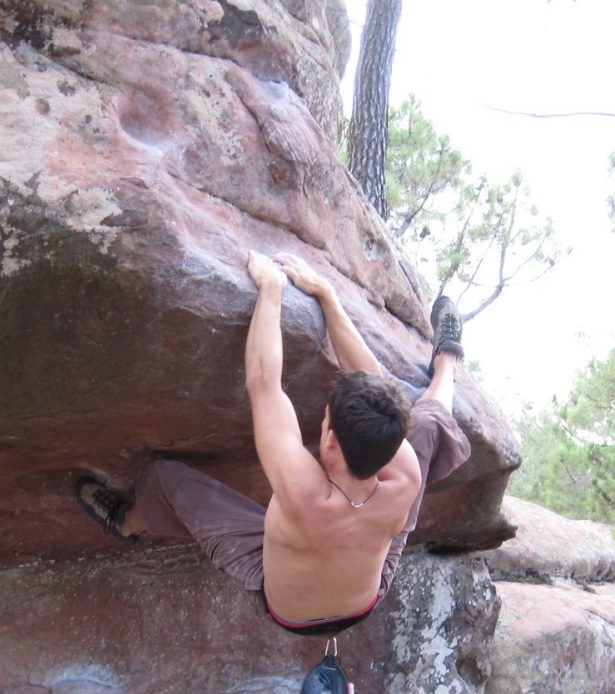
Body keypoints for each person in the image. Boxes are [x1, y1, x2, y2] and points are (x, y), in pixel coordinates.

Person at [76, 252, 470, 636]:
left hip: (288, 610)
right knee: (429, 422)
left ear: (329, 441)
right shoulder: (404, 478)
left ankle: (126, 523)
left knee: (165, 479)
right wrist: (329, 299)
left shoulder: (300, 488)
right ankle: (448, 360)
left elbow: (263, 384)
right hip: (367, 596)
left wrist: (271, 288)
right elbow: (377, 385)